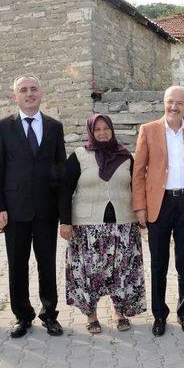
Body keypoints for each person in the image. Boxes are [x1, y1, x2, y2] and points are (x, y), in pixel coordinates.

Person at [0, 75, 66, 338]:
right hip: (14, 209)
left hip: (46, 210)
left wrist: (63, 212)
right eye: (23, 90)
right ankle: (22, 316)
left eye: (33, 89)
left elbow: (60, 169)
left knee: (47, 264)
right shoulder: (2, 127)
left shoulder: (55, 127)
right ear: (15, 96)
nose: (29, 94)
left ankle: (49, 314)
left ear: (41, 93)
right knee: (17, 265)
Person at [59, 114, 146, 334]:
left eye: (106, 128)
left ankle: (120, 313)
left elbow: (137, 187)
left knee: (122, 271)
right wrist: (65, 222)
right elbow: (64, 190)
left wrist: (141, 213)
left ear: (112, 130)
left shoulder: (126, 157)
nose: (102, 133)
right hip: (87, 228)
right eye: (97, 130)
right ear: (91, 132)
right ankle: (91, 316)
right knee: (90, 272)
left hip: (123, 225)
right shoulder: (79, 156)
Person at [132, 85, 184, 337]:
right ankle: (159, 314)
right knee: (159, 262)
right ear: (164, 102)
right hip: (159, 204)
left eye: (179, 103)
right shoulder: (148, 130)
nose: (174, 107)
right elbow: (139, 172)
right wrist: (140, 207)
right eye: (170, 102)